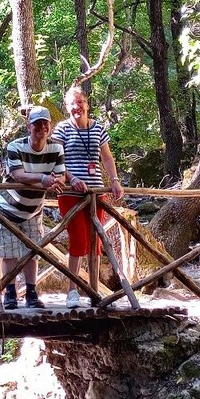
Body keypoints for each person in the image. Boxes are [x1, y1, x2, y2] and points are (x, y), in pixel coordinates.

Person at [52, 86, 124, 308]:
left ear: (87, 103)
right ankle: (72, 290)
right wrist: (71, 178)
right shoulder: (61, 129)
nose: (77, 107)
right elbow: (57, 161)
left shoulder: (98, 128)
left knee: (96, 242)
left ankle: (94, 289)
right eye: (73, 103)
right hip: (72, 193)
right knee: (78, 240)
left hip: (95, 193)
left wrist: (114, 180)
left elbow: (107, 158)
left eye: (80, 101)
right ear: (67, 107)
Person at [0, 106, 65, 310]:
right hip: (8, 208)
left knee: (32, 252)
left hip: (34, 210)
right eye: (37, 124)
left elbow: (60, 174)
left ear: (50, 126)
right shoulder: (15, 146)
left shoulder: (56, 148)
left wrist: (55, 181)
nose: (41, 127)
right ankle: (10, 292)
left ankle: (31, 292)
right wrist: (44, 179)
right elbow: (19, 175)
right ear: (29, 127)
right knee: (8, 252)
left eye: (45, 123)